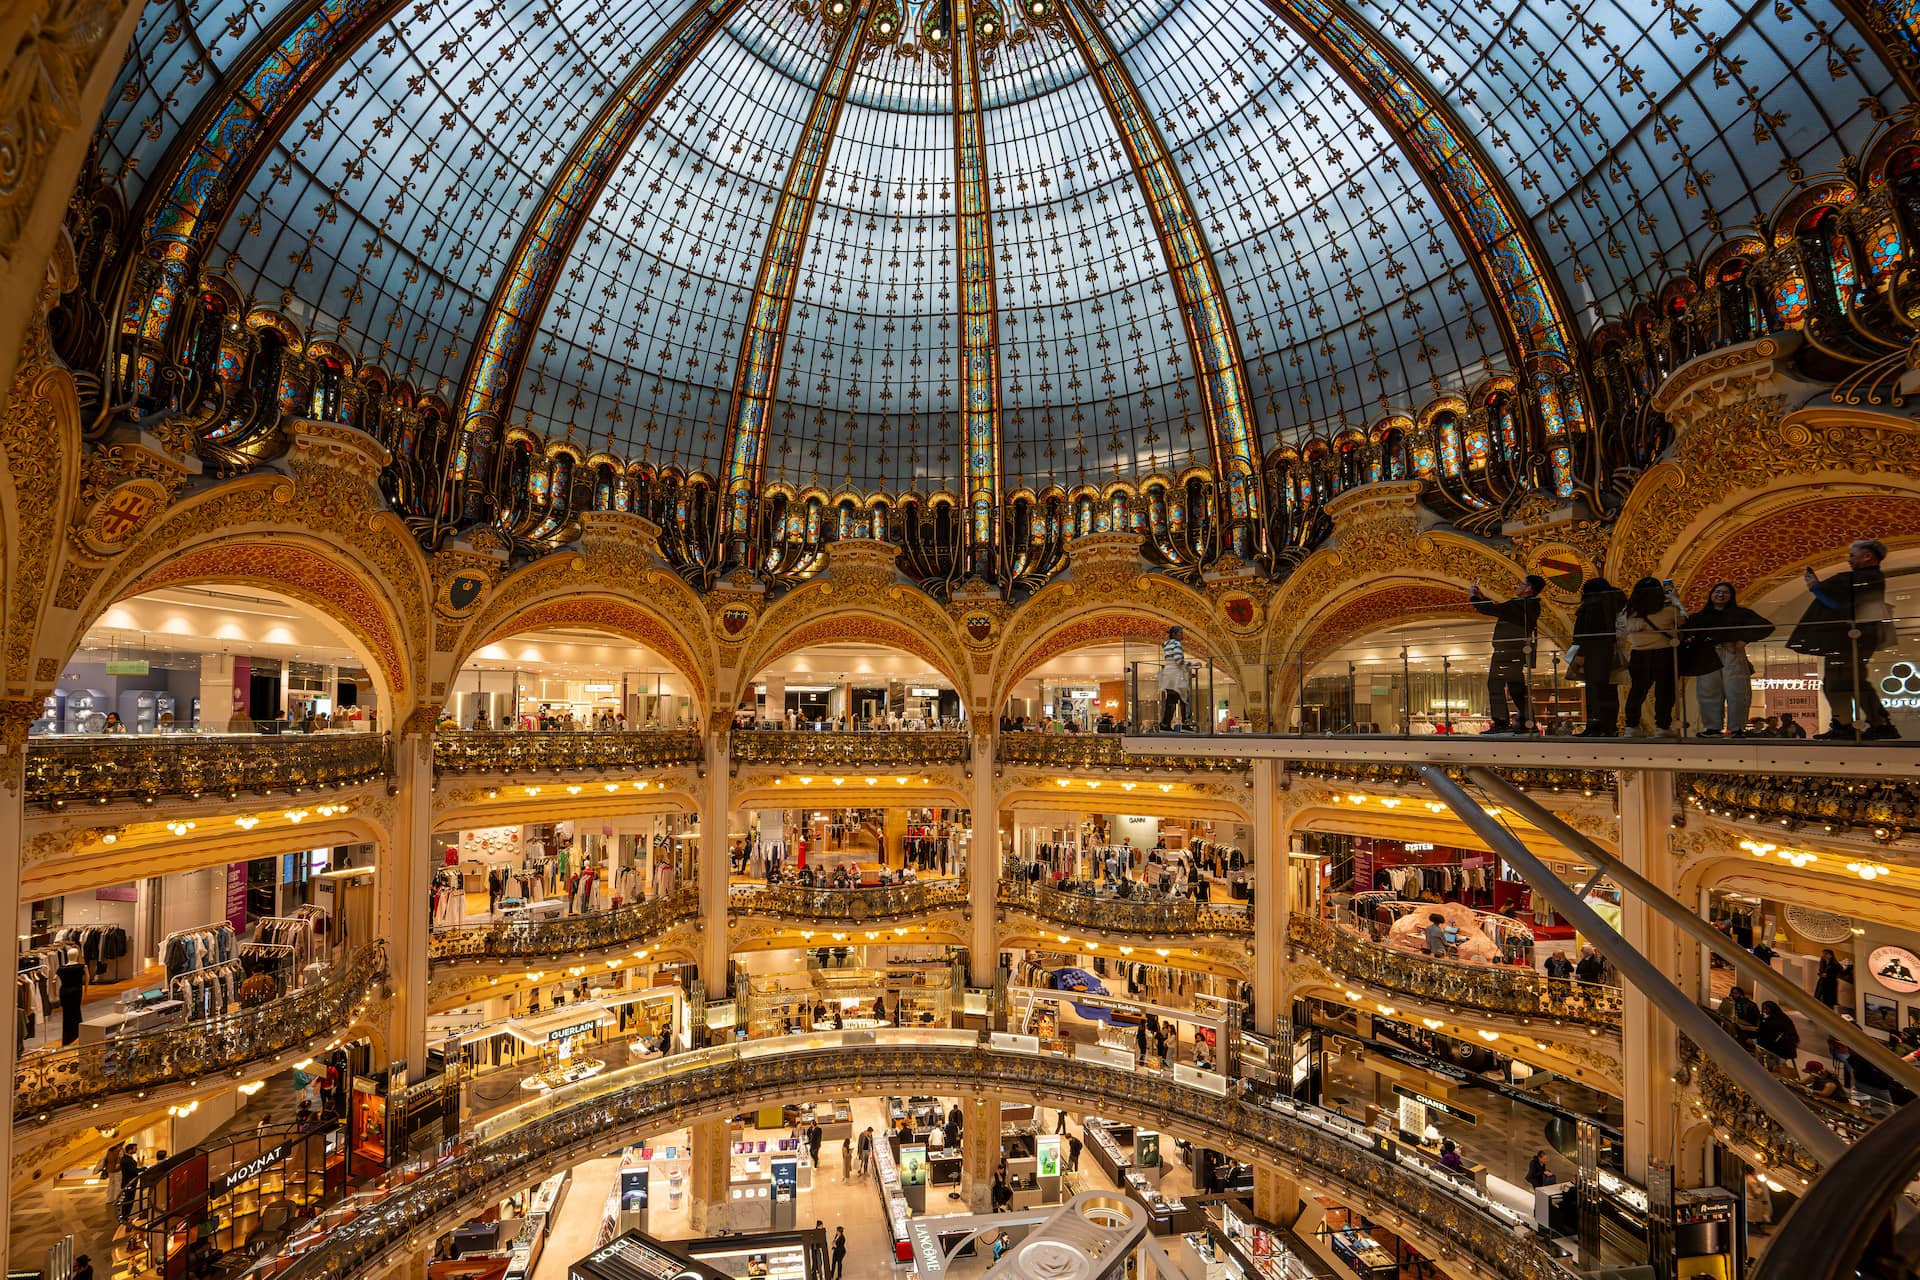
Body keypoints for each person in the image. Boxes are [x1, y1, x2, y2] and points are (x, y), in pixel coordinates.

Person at [1790, 539, 1896, 739]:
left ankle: (1862, 724)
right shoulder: (1869, 579)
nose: (1850, 560)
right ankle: (1864, 723)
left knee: (1842, 682)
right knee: (1842, 681)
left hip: (1850, 639)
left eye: (1853, 555)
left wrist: (1815, 587)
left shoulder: (1863, 579)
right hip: (1849, 639)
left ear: (1867, 556)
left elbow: (1840, 605)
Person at [1683, 581, 1774, 736]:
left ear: (1731, 596)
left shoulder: (1741, 614)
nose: (1720, 595)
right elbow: (1686, 632)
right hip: (1707, 655)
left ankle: (1736, 728)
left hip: (1732, 652)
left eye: (1725, 592)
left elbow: (1766, 626)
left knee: (1737, 690)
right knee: (1708, 692)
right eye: (1717, 592)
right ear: (1711, 595)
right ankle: (1712, 728)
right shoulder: (1700, 616)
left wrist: (1743, 640)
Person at [1468, 575, 1544, 734]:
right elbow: (1502, 610)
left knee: (1495, 684)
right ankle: (1527, 722)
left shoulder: (1520, 604)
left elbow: (1492, 610)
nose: (1518, 585)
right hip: (1517, 650)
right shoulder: (1531, 605)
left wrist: (1474, 598)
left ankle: (1501, 722)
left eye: (1522, 584)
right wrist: (1482, 597)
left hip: (1506, 650)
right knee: (1516, 687)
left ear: (1529, 588)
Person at [1620, 576, 1687, 737]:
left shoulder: (1628, 613)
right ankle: (1663, 727)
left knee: (1637, 692)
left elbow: (1622, 631)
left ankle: (1632, 726)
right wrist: (1675, 600)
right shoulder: (1669, 610)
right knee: (1665, 692)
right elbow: (1684, 621)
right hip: (1664, 654)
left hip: (1638, 655)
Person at [1567, 576, 1627, 735]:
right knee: (1608, 690)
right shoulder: (1613, 604)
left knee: (1594, 691)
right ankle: (1609, 727)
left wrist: (1581, 654)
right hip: (1607, 651)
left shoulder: (1593, 607)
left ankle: (1595, 726)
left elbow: (1588, 633)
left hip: (1593, 653)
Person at [1158, 626, 1192, 731]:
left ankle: (1165, 724)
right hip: (1176, 674)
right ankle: (1186, 723)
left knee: (1171, 700)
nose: (1182, 635)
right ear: (1174, 634)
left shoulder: (1166, 644)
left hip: (1168, 674)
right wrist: (1191, 664)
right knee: (1185, 698)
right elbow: (1178, 660)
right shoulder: (1177, 644)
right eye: (1180, 633)